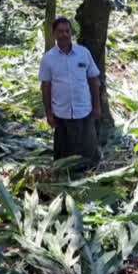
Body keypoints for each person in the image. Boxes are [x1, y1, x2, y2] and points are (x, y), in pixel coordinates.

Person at [39, 16, 102, 169]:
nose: (64, 34)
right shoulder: (48, 59)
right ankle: (67, 177)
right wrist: (48, 113)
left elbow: (93, 80)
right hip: (61, 113)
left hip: (84, 110)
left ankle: (88, 175)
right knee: (63, 155)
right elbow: (45, 87)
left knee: (88, 152)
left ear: (71, 33)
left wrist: (97, 105)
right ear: (53, 34)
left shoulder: (83, 53)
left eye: (67, 31)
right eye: (60, 31)